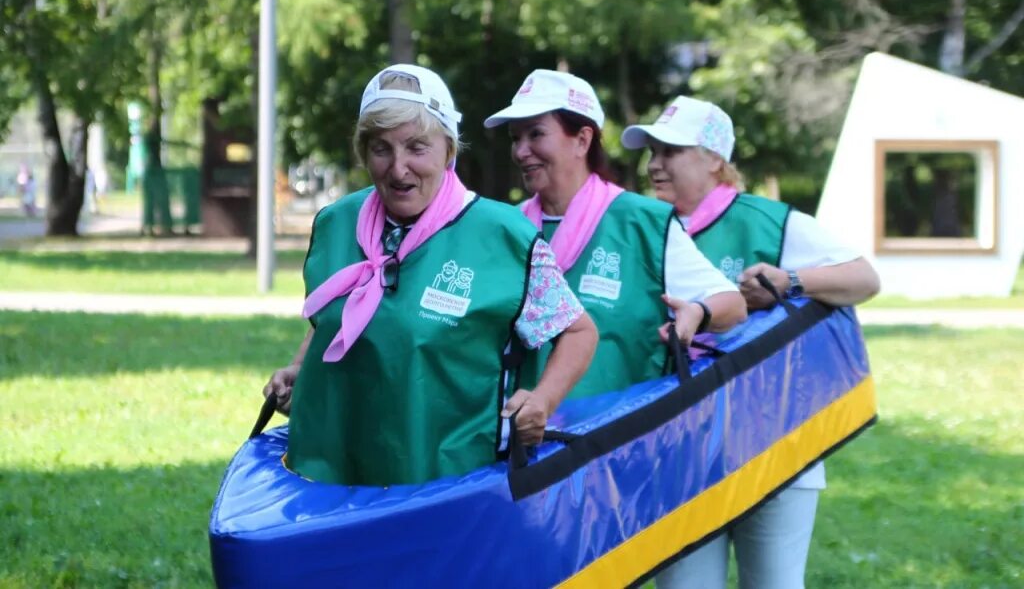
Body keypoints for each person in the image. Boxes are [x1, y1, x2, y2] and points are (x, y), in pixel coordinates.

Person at [263, 64, 597, 487]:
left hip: (446, 487)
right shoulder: (335, 223)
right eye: (381, 149)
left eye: (416, 147)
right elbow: (335, 320)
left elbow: (579, 331)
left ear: (449, 150)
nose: (398, 168)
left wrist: (542, 400)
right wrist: (300, 368)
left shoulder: (504, 238)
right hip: (328, 479)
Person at [621, 95, 881, 589]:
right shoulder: (643, 228)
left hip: (775, 441)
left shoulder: (770, 221)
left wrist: (793, 281)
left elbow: (865, 279)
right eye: (651, 151)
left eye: (669, 151)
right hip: (680, 449)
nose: (653, 164)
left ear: (715, 159)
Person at [484, 70, 745, 399]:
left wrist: (699, 313)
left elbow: (733, 305)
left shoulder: (644, 224)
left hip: (619, 442)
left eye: (535, 134)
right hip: (519, 440)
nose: (521, 151)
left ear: (582, 140)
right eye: (514, 138)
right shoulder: (508, 227)